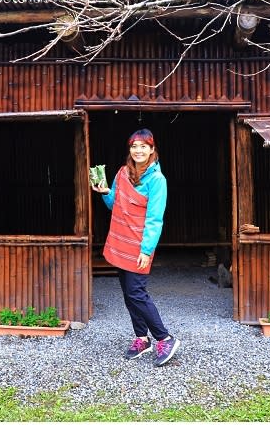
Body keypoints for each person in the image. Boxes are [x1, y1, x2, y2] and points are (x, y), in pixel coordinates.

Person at [91, 128, 180, 367]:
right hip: (120, 241)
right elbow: (115, 205)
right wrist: (105, 193)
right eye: (134, 146)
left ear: (152, 149)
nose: (138, 150)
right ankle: (142, 338)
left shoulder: (157, 180)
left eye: (143, 146)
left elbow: (154, 218)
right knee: (129, 295)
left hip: (139, 245)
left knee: (137, 294)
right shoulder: (122, 173)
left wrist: (146, 250)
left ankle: (164, 337)